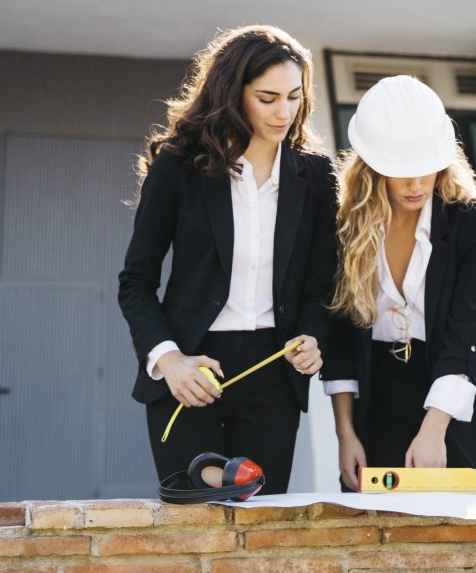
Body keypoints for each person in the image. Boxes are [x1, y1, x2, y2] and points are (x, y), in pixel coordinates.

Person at [118, 25, 337, 493]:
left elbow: (321, 286)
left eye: (295, 97)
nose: (285, 112)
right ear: (232, 94)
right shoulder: (179, 165)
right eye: (267, 97)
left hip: (274, 373)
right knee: (199, 519)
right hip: (190, 369)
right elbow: (135, 281)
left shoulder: (316, 175)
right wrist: (168, 360)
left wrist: (314, 336)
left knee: (261, 523)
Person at [322, 75, 476, 490]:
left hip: (456, 390)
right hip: (377, 398)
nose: (416, 185)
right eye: (402, 171)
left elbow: (468, 329)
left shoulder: (475, 222)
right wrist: (345, 433)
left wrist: (434, 427)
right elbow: (340, 338)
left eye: (424, 169)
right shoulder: (343, 225)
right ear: (373, 164)